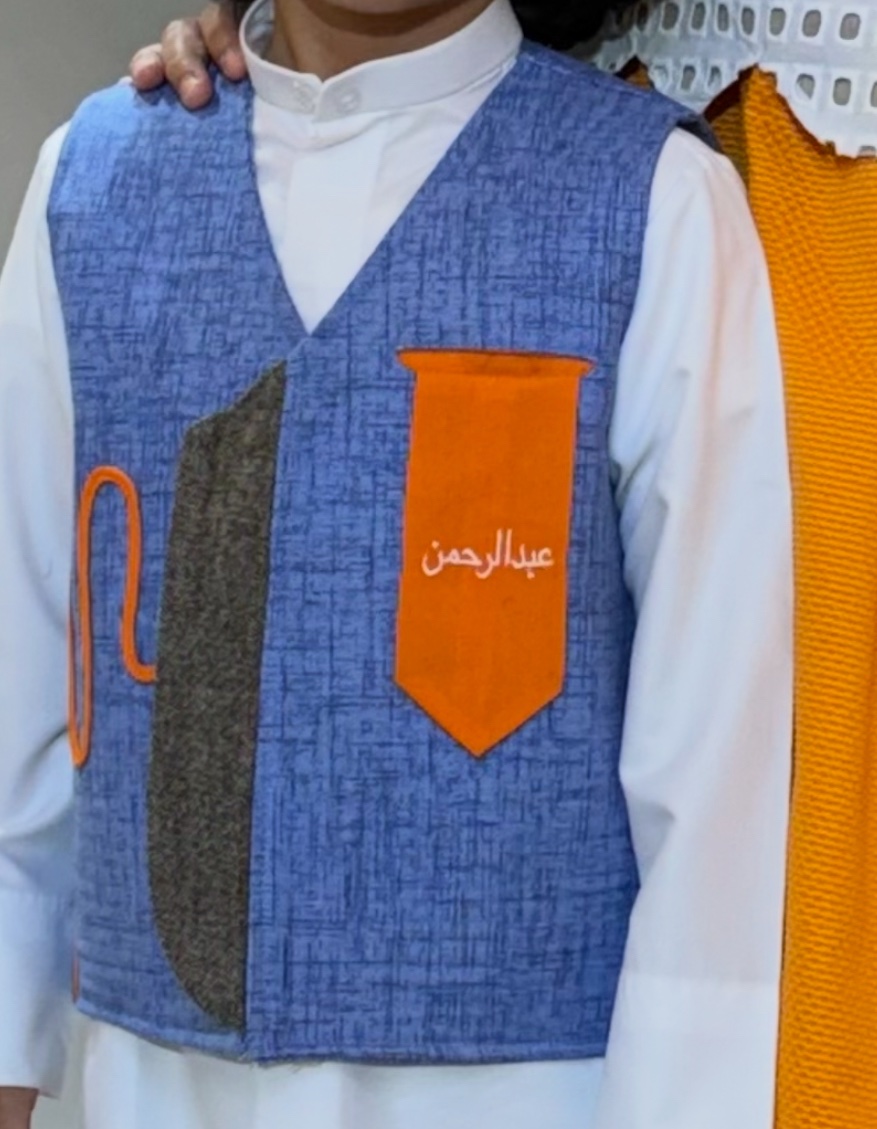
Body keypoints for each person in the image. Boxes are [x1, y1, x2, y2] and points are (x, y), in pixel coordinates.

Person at [0, 1, 793, 1127]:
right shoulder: (91, 182)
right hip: (152, 1084)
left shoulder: (660, 202)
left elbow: (717, 784)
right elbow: (20, 688)